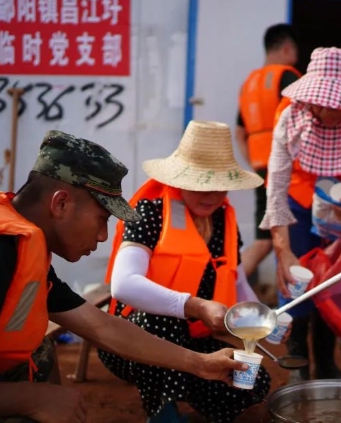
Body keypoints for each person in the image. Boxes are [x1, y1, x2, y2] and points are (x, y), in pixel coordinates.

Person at [0, 130, 247, 422]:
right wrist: (31, 399)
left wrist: (201, 363)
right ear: (61, 203)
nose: (104, 236)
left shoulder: (20, 246)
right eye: (102, 219)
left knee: (38, 354)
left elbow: (100, 326)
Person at [99, 121, 275, 423]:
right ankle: (162, 413)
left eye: (219, 185)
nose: (210, 194)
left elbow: (236, 279)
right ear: (180, 179)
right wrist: (195, 305)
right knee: (162, 321)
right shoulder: (150, 212)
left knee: (253, 379)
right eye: (200, 184)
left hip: (192, 341)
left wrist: (266, 318)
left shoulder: (222, 218)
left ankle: (189, 401)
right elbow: (123, 286)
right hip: (132, 340)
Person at [260, 47, 341, 382]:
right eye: (325, 102)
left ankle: (325, 359)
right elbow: (275, 185)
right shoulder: (290, 117)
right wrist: (282, 249)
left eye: (339, 104)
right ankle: (298, 360)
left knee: (335, 288)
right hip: (298, 210)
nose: (331, 111)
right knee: (297, 284)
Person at [236, 23, 301, 282]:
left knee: (266, 239)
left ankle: (226, 284)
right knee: (286, 240)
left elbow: (239, 132)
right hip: (288, 172)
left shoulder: (249, 84)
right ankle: (225, 286)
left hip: (261, 168)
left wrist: (254, 163)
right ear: (287, 47)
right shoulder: (288, 77)